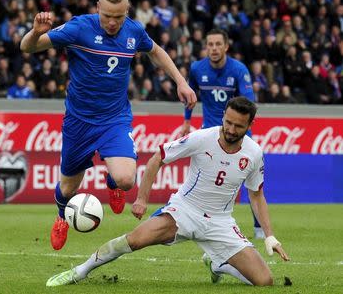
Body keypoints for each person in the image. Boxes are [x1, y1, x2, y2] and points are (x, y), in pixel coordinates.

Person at [20, 0, 196, 251]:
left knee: (127, 180)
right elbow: (27, 47)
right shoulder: (79, 27)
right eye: (107, 16)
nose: (113, 22)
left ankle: (112, 182)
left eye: (119, 17)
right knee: (67, 189)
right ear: (98, 8)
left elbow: (156, 51)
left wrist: (181, 82)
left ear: (127, 11)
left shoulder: (134, 31)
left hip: (114, 119)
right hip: (79, 122)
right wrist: (35, 33)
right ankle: (61, 216)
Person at [46, 97, 290, 287]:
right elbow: (157, 158)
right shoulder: (202, 138)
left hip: (221, 223)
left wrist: (269, 235)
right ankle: (80, 271)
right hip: (184, 212)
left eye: (238, 126)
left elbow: (257, 195)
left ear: (250, 125)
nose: (231, 129)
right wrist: (142, 198)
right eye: (228, 122)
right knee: (133, 240)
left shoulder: (254, 153)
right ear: (224, 117)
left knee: (264, 281)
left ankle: (219, 265)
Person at [181, 29, 264, 239]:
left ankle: (259, 228)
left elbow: (248, 103)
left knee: (252, 183)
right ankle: (197, 220)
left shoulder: (238, 70)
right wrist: (187, 120)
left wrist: (246, 132)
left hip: (237, 135)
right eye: (210, 44)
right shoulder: (197, 69)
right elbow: (190, 95)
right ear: (206, 47)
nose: (214, 48)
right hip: (209, 133)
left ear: (226, 46)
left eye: (218, 44)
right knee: (202, 178)